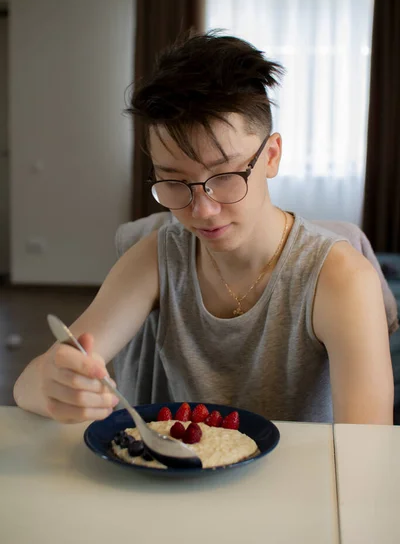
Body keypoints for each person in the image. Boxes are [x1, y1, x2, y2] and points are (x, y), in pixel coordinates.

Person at [13, 31, 394, 425]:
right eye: (174, 181)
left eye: (226, 175)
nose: (203, 210)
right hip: (184, 480)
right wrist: (53, 383)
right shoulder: (160, 256)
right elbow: (29, 382)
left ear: (272, 156)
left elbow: (364, 449)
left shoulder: (339, 279)